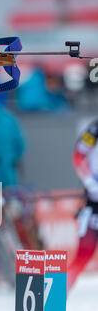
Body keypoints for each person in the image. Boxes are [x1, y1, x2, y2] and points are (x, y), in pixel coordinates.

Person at [67, 120, 98, 292]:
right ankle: (51, 308)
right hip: (94, 205)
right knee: (82, 256)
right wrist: (90, 182)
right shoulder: (95, 129)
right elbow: (78, 156)